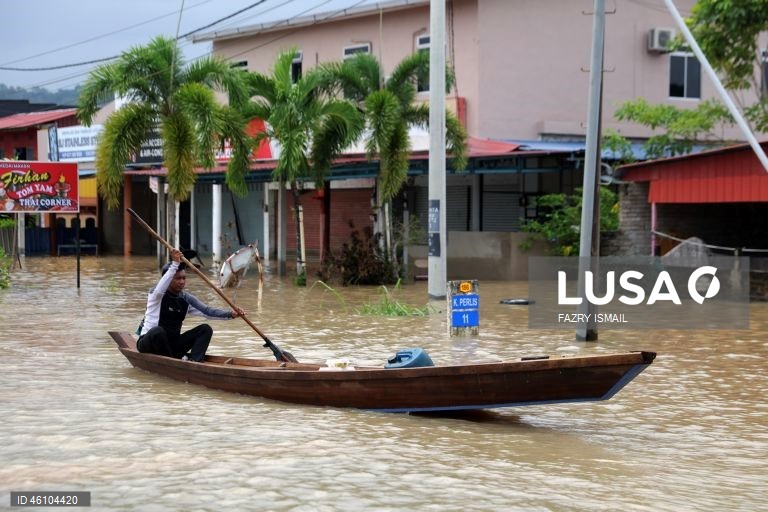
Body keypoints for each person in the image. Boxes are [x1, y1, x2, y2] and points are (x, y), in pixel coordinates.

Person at [137, 249, 244, 362]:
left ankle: (195, 362)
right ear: (167, 280)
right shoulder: (155, 296)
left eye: (184, 278)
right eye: (178, 278)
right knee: (158, 331)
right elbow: (160, 288)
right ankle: (173, 360)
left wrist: (231, 314)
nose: (182, 282)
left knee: (205, 329)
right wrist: (175, 264)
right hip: (149, 344)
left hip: (171, 347)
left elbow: (207, 311)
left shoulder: (185, 299)